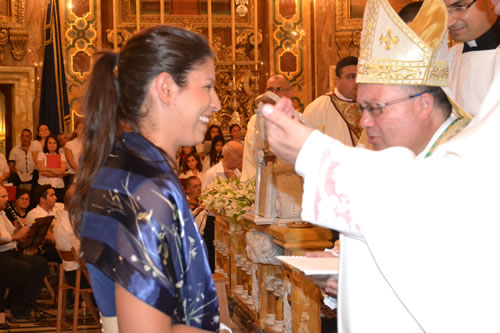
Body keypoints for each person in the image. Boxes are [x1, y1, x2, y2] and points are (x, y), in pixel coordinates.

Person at [262, 0, 500, 331]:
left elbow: (455, 272)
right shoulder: (398, 155)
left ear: (424, 104)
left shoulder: (462, 159)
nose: (364, 122)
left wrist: (312, 150)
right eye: (361, 108)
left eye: (376, 108)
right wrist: (342, 271)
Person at [69, 25, 229, 332]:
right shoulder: (144, 188)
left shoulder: (126, 165)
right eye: (208, 86)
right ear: (166, 87)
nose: (217, 102)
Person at [0, 185, 48, 319]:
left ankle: (16, 307)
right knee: (25, 270)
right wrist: (16, 236)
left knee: (40, 264)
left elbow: (12, 233)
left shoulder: (3, 213)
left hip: (11, 252)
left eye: (6, 196)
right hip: (1, 256)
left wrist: (21, 231)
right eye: (3, 197)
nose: (7, 200)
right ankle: (7, 307)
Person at [445, 0, 499, 116]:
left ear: (491, 2)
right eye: (443, 11)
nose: (449, 22)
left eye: (460, 7)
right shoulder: (446, 59)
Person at [240, 74, 292, 181]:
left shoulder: (295, 119)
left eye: (279, 89)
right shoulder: (256, 120)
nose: (273, 94)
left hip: (287, 179)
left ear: (288, 92)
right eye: (270, 89)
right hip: (261, 178)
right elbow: (254, 152)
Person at [303, 56, 362, 146]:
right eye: (351, 77)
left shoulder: (372, 106)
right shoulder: (316, 109)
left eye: (360, 76)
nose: (357, 81)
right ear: (337, 81)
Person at [36, 134, 67, 202]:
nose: (52, 145)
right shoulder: (41, 155)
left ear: (57, 144)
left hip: (58, 186)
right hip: (43, 186)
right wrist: (58, 172)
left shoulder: (62, 156)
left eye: (54, 143)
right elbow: (41, 171)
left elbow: (62, 171)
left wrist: (48, 169)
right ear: (46, 144)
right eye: (50, 143)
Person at [64, 117, 84, 184]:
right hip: (74, 174)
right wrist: (81, 172)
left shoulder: (91, 144)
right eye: (80, 128)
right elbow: (70, 161)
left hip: (88, 175)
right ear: (75, 130)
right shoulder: (69, 144)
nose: (83, 130)